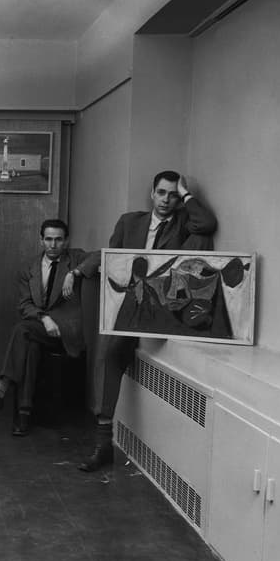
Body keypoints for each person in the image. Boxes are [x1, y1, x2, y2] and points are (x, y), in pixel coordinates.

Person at [81, 170, 217, 472]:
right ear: (152, 193)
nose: (166, 200)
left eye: (172, 194)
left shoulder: (184, 224)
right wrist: (78, 270)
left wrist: (188, 195)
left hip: (163, 304)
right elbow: (112, 256)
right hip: (130, 301)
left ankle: (103, 440)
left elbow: (207, 224)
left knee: (115, 345)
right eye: (162, 193)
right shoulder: (130, 221)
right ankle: (103, 441)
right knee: (110, 349)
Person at [0, 219, 99, 435]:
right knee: (30, 343)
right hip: (40, 328)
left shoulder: (75, 257)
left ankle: (2, 387)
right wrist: (44, 318)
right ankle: (24, 415)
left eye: (59, 239)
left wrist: (74, 273)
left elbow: (101, 255)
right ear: (41, 240)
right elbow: (24, 305)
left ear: (66, 240)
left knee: (22, 330)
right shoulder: (30, 268)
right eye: (49, 239)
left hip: (66, 332)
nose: (53, 245)